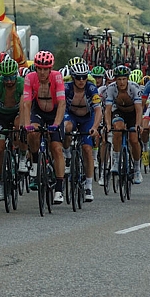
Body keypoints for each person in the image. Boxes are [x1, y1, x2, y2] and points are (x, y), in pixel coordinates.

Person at [21, 51, 67, 202]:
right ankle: (35, 163)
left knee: (57, 148)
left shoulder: (57, 77)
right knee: (33, 133)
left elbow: (61, 103)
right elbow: (27, 103)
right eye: (39, 68)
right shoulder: (30, 78)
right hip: (38, 110)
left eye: (45, 69)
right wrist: (27, 125)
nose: (42, 72)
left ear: (50, 69)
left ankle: (59, 188)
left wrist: (56, 124)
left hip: (54, 112)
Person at [63, 62, 102, 202]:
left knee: (87, 148)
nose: (81, 81)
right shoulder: (67, 88)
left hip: (87, 118)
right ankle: (67, 156)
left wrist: (95, 127)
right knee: (66, 128)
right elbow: (60, 106)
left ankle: (89, 185)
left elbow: (98, 110)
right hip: (71, 115)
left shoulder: (91, 88)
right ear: (73, 77)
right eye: (78, 77)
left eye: (84, 77)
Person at [0, 58, 27, 200]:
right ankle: (0, 181)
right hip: (1, 116)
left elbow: (24, 106)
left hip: (17, 113)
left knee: (19, 127)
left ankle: (22, 156)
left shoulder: (21, 83)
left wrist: (23, 125)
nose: (9, 81)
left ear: (16, 74)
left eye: (12, 77)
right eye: (6, 78)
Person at [104, 65, 143, 184]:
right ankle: (116, 160)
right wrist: (108, 125)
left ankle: (137, 169)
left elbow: (139, 109)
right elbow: (108, 109)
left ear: (127, 79)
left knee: (134, 139)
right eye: (119, 79)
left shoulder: (134, 88)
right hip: (118, 111)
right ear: (115, 80)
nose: (121, 82)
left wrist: (138, 124)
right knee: (117, 129)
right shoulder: (110, 88)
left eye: (124, 79)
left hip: (132, 112)